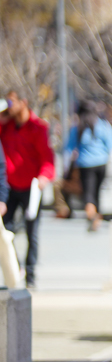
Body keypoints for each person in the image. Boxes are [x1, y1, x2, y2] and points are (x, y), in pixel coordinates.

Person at [0, 91, 55, 288]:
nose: (9, 106)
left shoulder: (38, 127)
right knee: (5, 231)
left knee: (32, 231)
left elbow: (47, 158)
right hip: (9, 186)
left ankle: (30, 274)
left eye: (11, 102)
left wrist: (44, 176)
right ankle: (14, 271)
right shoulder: (5, 126)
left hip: (31, 187)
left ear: (24, 102)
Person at [65, 100, 112, 232]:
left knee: (88, 193)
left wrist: (66, 168)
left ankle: (92, 215)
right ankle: (97, 216)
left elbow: (68, 150)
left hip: (85, 164)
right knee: (97, 191)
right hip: (102, 163)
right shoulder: (103, 126)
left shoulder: (77, 128)